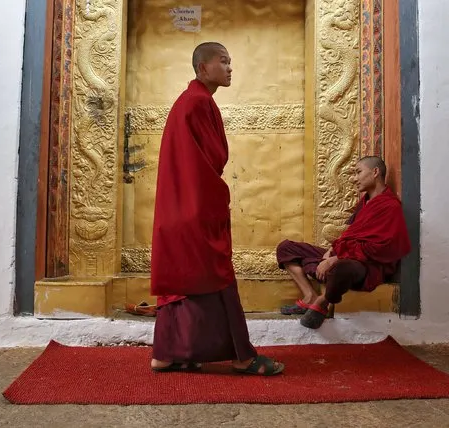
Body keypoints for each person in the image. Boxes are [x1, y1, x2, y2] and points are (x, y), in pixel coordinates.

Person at [150, 42, 284, 376]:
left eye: (230, 62)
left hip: (179, 208)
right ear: (202, 68)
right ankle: (240, 357)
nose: (229, 68)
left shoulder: (191, 101)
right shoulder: (198, 102)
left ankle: (166, 355)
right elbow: (212, 159)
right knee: (216, 275)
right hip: (195, 207)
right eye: (222, 62)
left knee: (182, 279)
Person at [276, 156, 411, 329]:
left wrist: (335, 259)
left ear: (375, 172)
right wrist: (332, 250)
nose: (353, 178)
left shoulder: (390, 206)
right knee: (286, 248)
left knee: (342, 269)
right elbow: (350, 234)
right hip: (345, 254)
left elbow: (381, 248)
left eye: (358, 172)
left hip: (367, 265)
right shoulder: (365, 202)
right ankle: (309, 296)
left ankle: (322, 302)